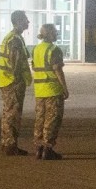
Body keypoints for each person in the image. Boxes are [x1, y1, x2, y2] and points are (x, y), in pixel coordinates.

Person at [32, 23, 69, 160]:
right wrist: (64, 88)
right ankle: (48, 148)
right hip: (52, 90)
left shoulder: (36, 49)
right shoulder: (54, 50)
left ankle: (39, 147)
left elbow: (35, 67)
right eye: (55, 32)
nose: (57, 34)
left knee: (40, 120)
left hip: (39, 90)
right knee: (52, 120)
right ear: (49, 34)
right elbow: (58, 70)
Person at [0, 10, 32, 155]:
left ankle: (7, 143)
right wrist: (17, 77)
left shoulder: (11, 37)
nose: (28, 22)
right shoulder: (15, 39)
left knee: (8, 113)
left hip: (7, 80)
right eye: (25, 20)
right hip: (13, 82)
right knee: (12, 114)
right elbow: (15, 60)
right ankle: (11, 146)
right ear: (18, 21)